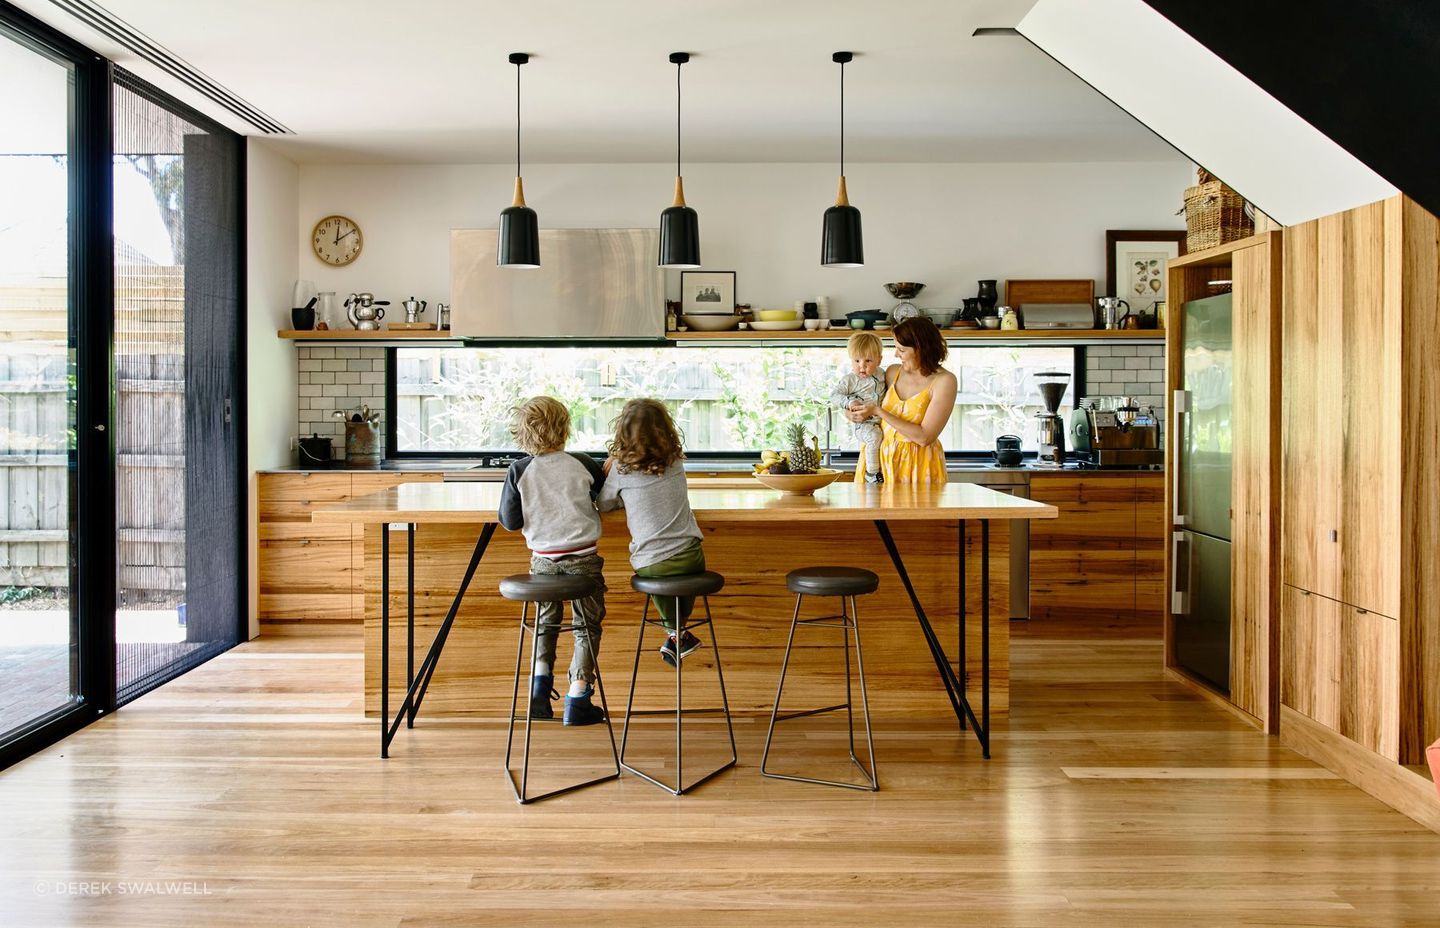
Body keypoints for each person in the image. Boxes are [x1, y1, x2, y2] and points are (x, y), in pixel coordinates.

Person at [497, 396, 608, 726]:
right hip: (584, 562)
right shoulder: (583, 463)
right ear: (564, 428)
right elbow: (604, 497)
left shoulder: (519, 470)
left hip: (543, 565)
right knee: (586, 627)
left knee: (545, 624)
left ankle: (539, 692)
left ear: (521, 434)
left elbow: (510, 521)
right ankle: (578, 697)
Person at [598, 398, 706, 667]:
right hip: (692, 555)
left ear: (622, 432)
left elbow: (603, 504)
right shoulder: (676, 462)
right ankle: (677, 634)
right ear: (666, 429)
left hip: (652, 563)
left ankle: (676, 633)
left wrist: (612, 472)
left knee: (658, 568)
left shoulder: (621, 471)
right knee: (683, 574)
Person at [847, 317, 958, 485]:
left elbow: (924, 437)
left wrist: (878, 411)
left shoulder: (945, 381)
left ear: (920, 349)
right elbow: (863, 395)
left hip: (918, 465)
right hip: (879, 463)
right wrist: (850, 411)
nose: (896, 354)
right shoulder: (893, 372)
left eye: (902, 350)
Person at [830, 331, 887, 484]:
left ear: (879, 360)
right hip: (864, 424)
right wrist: (849, 403)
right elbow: (834, 395)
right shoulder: (850, 380)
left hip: (881, 421)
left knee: (880, 438)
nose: (862, 366)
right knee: (874, 437)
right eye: (856, 361)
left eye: (868, 361)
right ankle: (872, 474)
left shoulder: (883, 375)